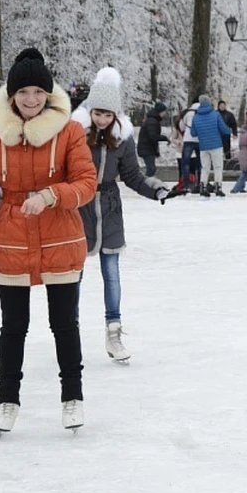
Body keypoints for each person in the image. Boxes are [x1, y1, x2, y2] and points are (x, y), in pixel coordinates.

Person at [0, 48, 97, 432]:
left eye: (37, 91)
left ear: (48, 94)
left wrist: (51, 195)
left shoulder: (69, 131)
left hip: (60, 237)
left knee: (64, 323)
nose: (31, 99)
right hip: (11, 239)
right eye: (23, 92)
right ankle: (7, 400)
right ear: (11, 96)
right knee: (13, 325)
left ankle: (72, 398)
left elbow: (86, 183)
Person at [71, 68, 174, 363]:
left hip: (111, 210)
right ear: (90, 111)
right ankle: (70, 331)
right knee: (73, 275)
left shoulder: (123, 139)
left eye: (108, 115)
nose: (102, 120)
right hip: (81, 208)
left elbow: (132, 175)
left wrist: (155, 190)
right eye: (98, 114)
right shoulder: (76, 137)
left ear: (116, 116)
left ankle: (113, 332)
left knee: (111, 274)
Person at [189, 94, 232, 197]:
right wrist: (229, 130)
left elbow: (193, 133)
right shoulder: (215, 115)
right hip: (216, 145)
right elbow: (224, 129)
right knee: (218, 167)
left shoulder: (195, 117)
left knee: (205, 168)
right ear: (209, 103)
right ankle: (218, 187)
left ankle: (202, 187)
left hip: (203, 146)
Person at [137, 101, 169, 177]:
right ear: (159, 112)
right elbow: (153, 136)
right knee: (151, 169)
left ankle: (147, 183)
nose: (165, 114)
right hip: (147, 148)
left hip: (147, 148)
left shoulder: (152, 120)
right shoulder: (152, 121)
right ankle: (145, 184)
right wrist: (164, 138)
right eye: (164, 111)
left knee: (151, 168)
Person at [177, 98, 201, 192]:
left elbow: (181, 126)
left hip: (188, 139)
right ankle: (200, 183)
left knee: (185, 162)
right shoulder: (203, 113)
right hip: (199, 140)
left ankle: (186, 184)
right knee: (200, 163)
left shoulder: (188, 113)